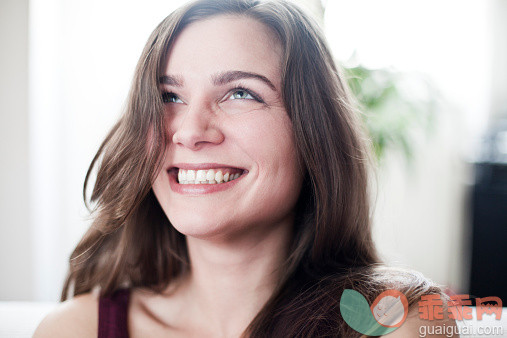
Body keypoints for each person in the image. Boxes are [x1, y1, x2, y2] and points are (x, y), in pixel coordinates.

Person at [35, 0, 457, 337]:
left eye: (241, 92)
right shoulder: (73, 329)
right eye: (169, 96)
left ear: (314, 133)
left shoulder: (396, 325)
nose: (189, 131)